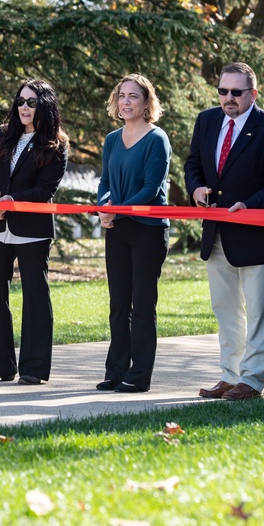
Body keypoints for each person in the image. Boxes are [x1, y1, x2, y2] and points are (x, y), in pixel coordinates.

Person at [183, 62, 264, 401]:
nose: (228, 98)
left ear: (252, 94)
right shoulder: (207, 120)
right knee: (226, 309)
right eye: (222, 91)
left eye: (236, 92)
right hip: (215, 233)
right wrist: (196, 187)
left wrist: (250, 205)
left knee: (259, 311)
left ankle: (253, 380)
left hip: (256, 234)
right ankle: (229, 376)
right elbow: (193, 163)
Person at [0, 79, 69, 385]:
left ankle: (34, 368)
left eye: (31, 102)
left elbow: (45, 189)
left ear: (44, 105)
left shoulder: (56, 143)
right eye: (20, 101)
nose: (24, 108)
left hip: (32, 230)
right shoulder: (3, 135)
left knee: (35, 296)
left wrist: (12, 201)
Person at [96, 74, 171, 393]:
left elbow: (151, 188)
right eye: (122, 96)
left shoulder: (157, 139)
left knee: (141, 304)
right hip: (116, 227)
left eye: (134, 97)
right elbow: (104, 183)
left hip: (147, 230)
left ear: (146, 103)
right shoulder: (112, 139)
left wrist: (117, 209)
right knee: (118, 303)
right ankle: (116, 370)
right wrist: (104, 207)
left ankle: (139, 375)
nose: (126, 102)